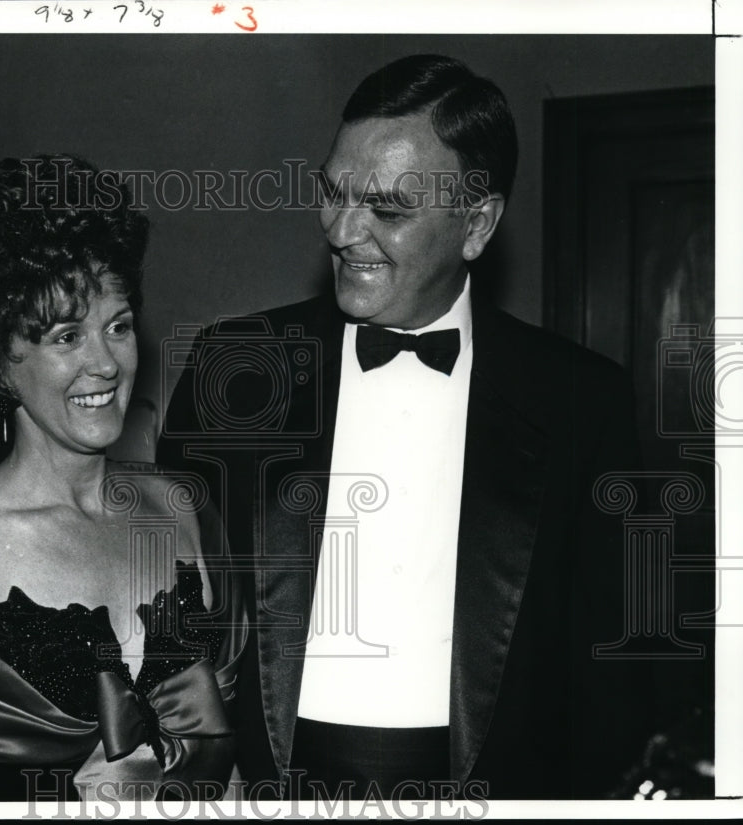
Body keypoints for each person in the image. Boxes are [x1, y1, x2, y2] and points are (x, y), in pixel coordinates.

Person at [157, 55, 650, 800]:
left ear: (476, 224)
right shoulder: (239, 369)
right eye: (333, 191)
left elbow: (617, 671)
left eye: (387, 209)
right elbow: (171, 592)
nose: (342, 229)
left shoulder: (582, 399)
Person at [0, 155, 246, 802]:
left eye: (118, 326)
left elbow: (226, 766)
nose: (105, 362)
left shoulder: (182, 509)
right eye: (67, 336)